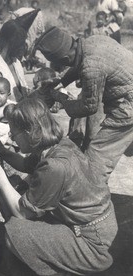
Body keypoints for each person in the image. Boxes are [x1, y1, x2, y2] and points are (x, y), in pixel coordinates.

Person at [0, 98, 118, 276]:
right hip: (98, 227)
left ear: (29, 133)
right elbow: (27, 164)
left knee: (15, 231)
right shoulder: (59, 145)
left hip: (92, 242)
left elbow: (22, 212)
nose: (11, 136)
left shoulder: (54, 166)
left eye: (14, 132)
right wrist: (3, 151)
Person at [33, 26, 133, 182]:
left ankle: (92, 203)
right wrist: (60, 81)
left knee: (96, 161)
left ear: (65, 60)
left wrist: (61, 98)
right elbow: (80, 63)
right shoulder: (93, 41)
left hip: (128, 107)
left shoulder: (91, 67)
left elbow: (89, 107)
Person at [0, 10, 39, 102]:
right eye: (20, 44)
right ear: (9, 42)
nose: (22, 48)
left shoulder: (15, 62)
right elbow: (0, 100)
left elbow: (24, 89)